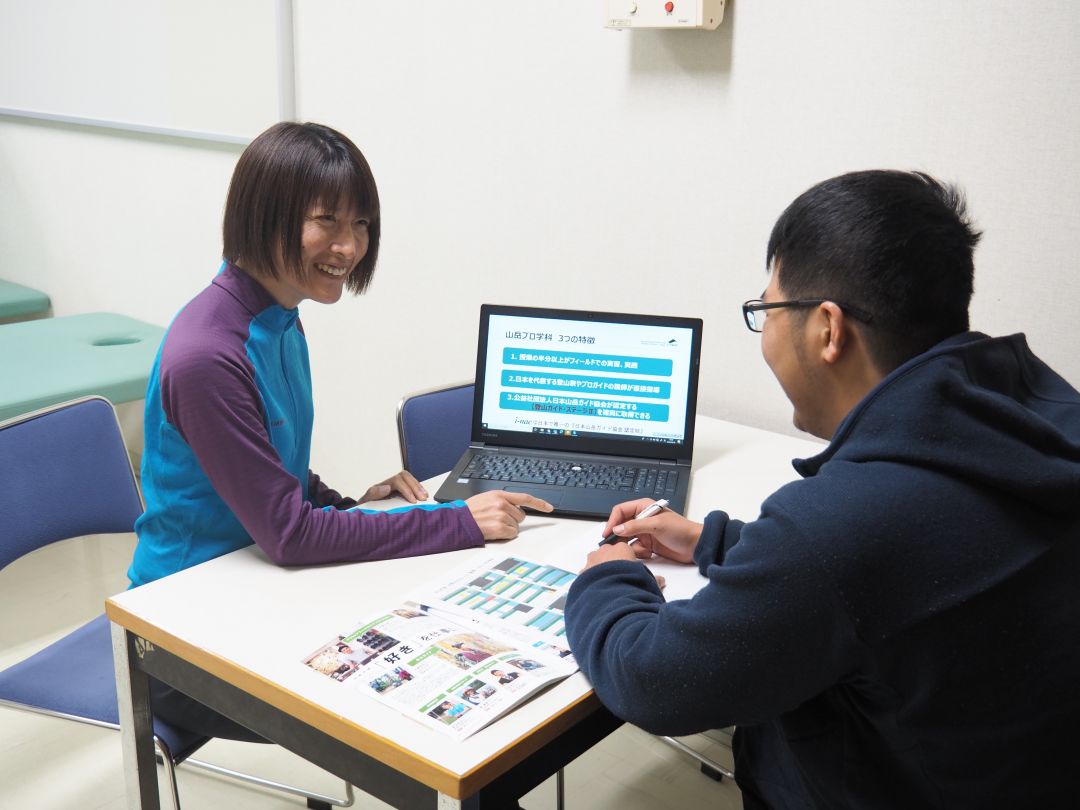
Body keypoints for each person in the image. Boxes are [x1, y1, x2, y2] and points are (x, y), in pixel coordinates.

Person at [564, 170, 1080, 809]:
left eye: (766, 311)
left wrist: (608, 576)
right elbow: (906, 565)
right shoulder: (1037, 416)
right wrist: (716, 542)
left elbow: (653, 682)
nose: (765, 335)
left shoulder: (841, 527)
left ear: (828, 329)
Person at [128, 121, 551, 743]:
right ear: (263, 217)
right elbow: (290, 536)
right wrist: (459, 521)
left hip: (257, 582)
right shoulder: (209, 354)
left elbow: (276, 477)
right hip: (184, 630)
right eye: (328, 221)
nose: (349, 246)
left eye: (361, 225)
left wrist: (347, 506)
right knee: (420, 703)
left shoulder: (277, 316)